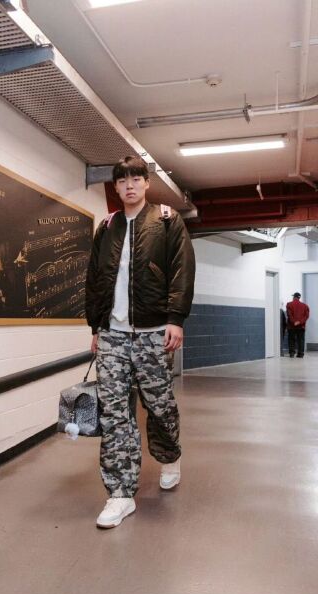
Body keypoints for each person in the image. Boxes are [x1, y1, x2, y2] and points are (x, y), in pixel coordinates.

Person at [85, 156, 195, 528]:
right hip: (113, 335)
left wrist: (175, 319)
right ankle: (120, 494)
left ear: (146, 183)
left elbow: (181, 270)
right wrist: (96, 327)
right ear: (115, 187)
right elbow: (94, 279)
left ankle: (169, 455)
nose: (129, 185)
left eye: (136, 178)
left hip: (153, 333)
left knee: (160, 406)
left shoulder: (166, 220)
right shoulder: (107, 227)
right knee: (115, 413)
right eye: (122, 180)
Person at [286, 292, 310, 358]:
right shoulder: (305, 306)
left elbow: (289, 315)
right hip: (301, 326)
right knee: (301, 340)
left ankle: (292, 353)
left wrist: (294, 322)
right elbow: (306, 316)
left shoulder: (289, 304)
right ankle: (300, 354)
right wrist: (300, 322)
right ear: (299, 298)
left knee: (291, 339)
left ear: (294, 297)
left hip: (291, 326)